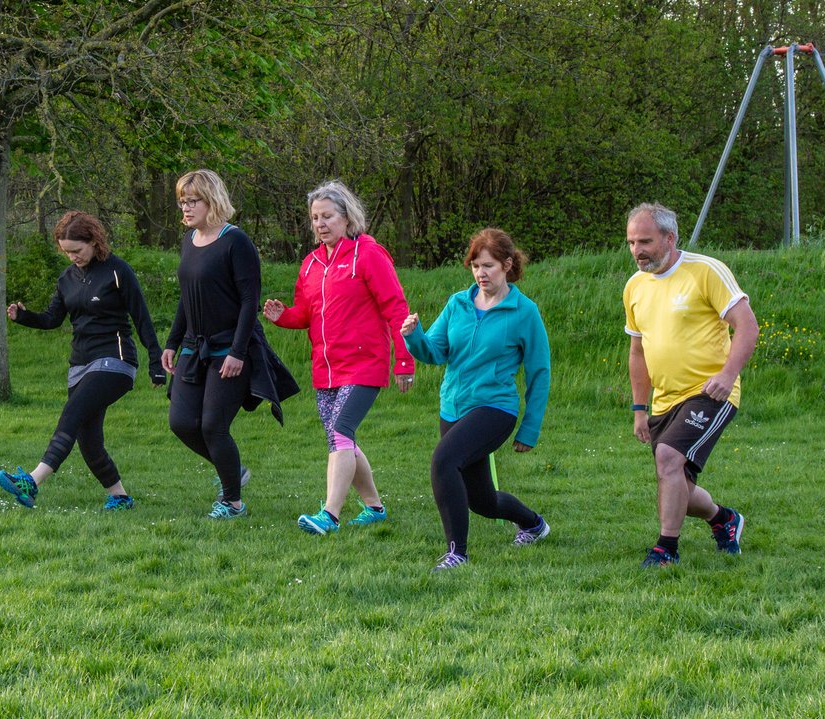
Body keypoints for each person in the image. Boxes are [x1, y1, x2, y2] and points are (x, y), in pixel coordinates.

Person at [263, 180, 414, 535]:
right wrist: (282, 316)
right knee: (340, 439)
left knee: (341, 431)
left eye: (327, 216)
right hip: (326, 369)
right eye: (315, 218)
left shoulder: (369, 255)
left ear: (347, 217)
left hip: (365, 364)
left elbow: (397, 309)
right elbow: (306, 313)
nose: (320, 224)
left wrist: (404, 361)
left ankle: (329, 514)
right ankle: (375, 507)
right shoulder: (311, 264)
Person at [401, 228, 552, 571]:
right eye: (475, 266)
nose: (481, 274)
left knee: (443, 461)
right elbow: (436, 352)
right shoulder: (458, 303)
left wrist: (529, 429)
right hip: (453, 407)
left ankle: (458, 553)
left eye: (489, 266)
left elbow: (539, 372)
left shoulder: (524, 312)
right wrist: (414, 337)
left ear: (507, 265)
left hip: (495, 408)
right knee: (480, 501)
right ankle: (532, 523)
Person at [0, 211, 166, 510]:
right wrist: (24, 317)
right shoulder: (66, 279)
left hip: (115, 360)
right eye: (67, 252)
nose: (73, 257)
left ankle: (32, 481)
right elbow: (52, 320)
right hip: (80, 364)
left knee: (72, 413)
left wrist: (155, 364)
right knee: (88, 440)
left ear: (94, 241)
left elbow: (142, 319)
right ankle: (120, 497)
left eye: (77, 250)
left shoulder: (117, 271)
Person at [623, 202, 757, 568]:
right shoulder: (634, 286)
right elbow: (638, 351)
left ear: (670, 237)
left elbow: (747, 326)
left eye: (645, 241)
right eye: (632, 242)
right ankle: (722, 519)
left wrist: (727, 375)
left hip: (711, 391)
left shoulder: (706, 271)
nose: (638, 251)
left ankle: (666, 549)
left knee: (668, 459)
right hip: (665, 400)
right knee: (676, 480)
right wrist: (639, 408)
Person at [163, 169, 298, 519]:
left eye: (193, 201)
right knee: (180, 422)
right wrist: (171, 343)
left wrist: (238, 352)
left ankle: (232, 502)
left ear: (213, 201)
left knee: (212, 426)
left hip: (231, 348)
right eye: (182, 201)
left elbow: (248, 301)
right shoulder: (189, 241)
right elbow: (187, 298)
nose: (186, 208)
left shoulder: (236, 242)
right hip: (195, 348)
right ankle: (231, 471)